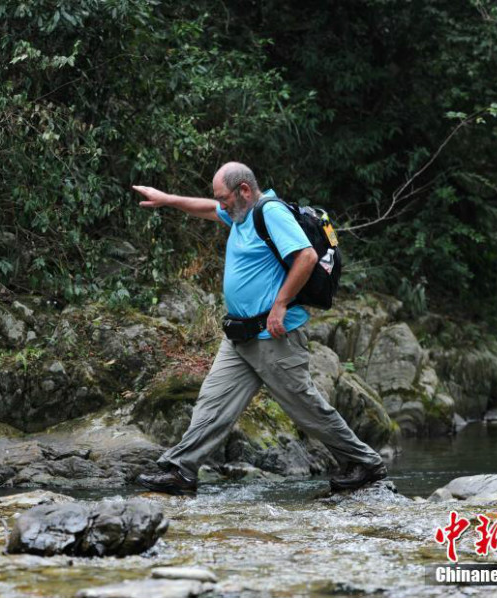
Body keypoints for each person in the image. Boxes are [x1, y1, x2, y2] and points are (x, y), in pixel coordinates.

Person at [131, 162, 386, 495]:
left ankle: (365, 463)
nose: (220, 205)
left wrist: (280, 305)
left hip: (274, 336)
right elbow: (208, 208)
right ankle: (182, 470)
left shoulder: (270, 213)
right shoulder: (238, 213)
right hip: (240, 336)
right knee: (213, 401)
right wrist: (166, 199)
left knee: (304, 407)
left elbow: (306, 257)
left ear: (244, 191)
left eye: (224, 198)